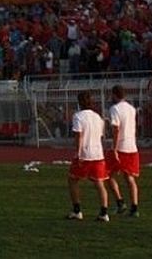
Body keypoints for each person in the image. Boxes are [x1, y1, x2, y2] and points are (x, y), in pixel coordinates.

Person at [67, 91, 110, 222]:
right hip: (98, 154)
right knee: (99, 183)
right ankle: (104, 213)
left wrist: (78, 152)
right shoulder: (98, 117)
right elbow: (100, 136)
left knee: (72, 180)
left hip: (84, 154)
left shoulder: (78, 116)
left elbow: (78, 135)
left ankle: (77, 210)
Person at [106, 85, 140, 217]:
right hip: (132, 146)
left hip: (120, 147)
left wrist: (114, 148)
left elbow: (116, 129)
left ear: (114, 95)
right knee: (130, 177)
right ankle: (134, 207)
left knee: (108, 175)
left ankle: (120, 202)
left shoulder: (114, 109)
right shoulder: (132, 109)